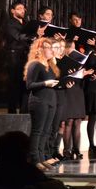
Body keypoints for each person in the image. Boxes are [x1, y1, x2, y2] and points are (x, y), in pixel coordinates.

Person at [24, 37, 61, 169]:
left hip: (51, 100)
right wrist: (45, 83)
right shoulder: (35, 64)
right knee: (37, 131)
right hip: (39, 101)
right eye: (48, 48)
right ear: (40, 49)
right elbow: (29, 85)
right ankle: (34, 159)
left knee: (46, 131)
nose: (51, 50)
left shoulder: (50, 66)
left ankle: (41, 157)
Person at [60, 40, 90, 160]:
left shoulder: (79, 62)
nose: (74, 50)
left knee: (77, 121)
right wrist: (68, 73)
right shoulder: (61, 61)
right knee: (69, 121)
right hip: (68, 90)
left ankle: (76, 150)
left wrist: (83, 73)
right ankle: (67, 150)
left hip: (78, 90)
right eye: (72, 48)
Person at [5, 1, 35, 113]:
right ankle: (12, 111)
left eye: (23, 8)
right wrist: (32, 36)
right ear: (13, 11)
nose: (22, 10)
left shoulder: (26, 23)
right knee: (14, 84)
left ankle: (24, 111)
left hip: (26, 55)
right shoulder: (10, 23)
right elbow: (18, 36)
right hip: (14, 55)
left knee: (25, 83)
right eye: (19, 8)